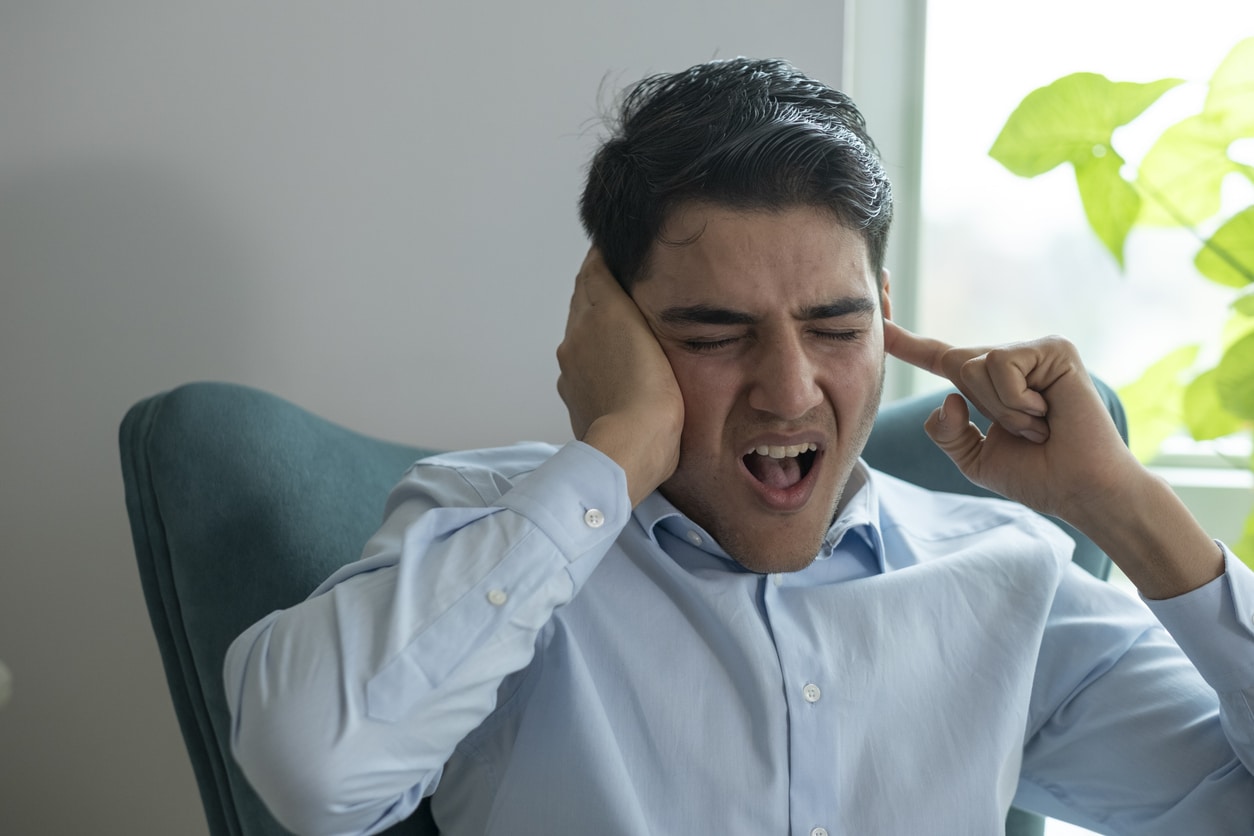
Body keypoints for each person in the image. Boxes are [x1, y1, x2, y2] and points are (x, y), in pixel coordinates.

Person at [224, 58, 1254, 835]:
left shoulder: (1003, 578)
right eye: (716, 334)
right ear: (611, 330)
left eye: (836, 326)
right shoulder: (498, 539)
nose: (790, 388)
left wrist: (1124, 506)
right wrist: (618, 446)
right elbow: (313, 769)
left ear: (887, 313)